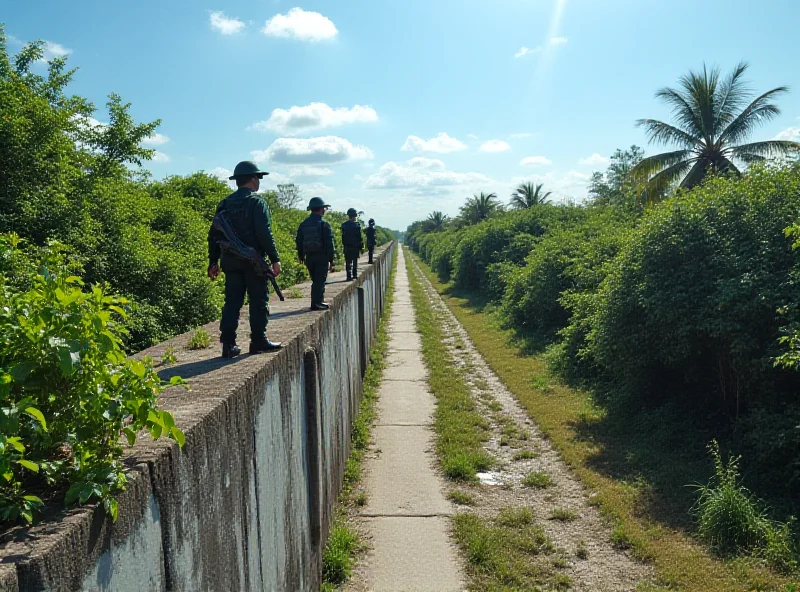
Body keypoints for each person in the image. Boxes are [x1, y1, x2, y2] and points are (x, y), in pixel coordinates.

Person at [207, 161, 282, 358]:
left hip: (230, 262)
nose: (259, 181)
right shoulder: (257, 202)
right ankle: (258, 341)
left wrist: (213, 261)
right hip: (253, 263)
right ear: (252, 179)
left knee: (232, 302)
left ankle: (228, 345)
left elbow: (214, 235)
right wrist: (275, 258)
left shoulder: (224, 204)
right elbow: (264, 233)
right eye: (258, 177)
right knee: (258, 300)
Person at [296, 197, 336, 310]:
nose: (325, 210)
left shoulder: (304, 224)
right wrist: (331, 260)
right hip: (321, 256)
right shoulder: (324, 224)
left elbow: (299, 241)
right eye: (324, 208)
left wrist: (301, 256)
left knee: (315, 280)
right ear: (321, 209)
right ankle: (317, 302)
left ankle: (316, 302)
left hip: (308, 256)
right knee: (320, 280)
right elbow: (329, 243)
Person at [341, 208, 364, 281]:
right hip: (355, 246)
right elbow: (359, 237)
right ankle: (354, 275)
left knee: (348, 262)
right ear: (355, 216)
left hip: (347, 246)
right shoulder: (356, 225)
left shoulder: (344, 225)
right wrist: (361, 246)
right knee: (354, 261)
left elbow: (343, 236)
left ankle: (348, 276)